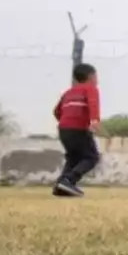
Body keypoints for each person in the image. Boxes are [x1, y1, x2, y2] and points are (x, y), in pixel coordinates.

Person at [52, 63, 102, 197]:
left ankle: (60, 186)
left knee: (73, 158)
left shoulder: (68, 92)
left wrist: (66, 122)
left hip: (64, 130)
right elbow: (93, 103)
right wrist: (94, 121)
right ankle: (68, 180)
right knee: (91, 157)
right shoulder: (91, 89)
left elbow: (56, 111)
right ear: (91, 76)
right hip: (78, 129)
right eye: (96, 76)